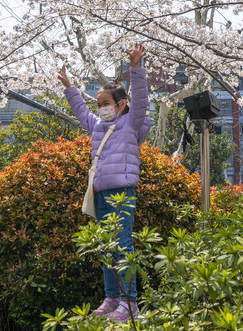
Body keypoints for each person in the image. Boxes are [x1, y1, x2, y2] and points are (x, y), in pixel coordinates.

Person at [58, 44, 149, 323]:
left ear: (120, 104)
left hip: (122, 192)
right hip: (101, 193)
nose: (101, 109)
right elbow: (80, 110)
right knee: (107, 247)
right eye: (99, 104)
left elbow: (142, 100)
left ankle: (130, 302)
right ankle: (112, 298)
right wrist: (70, 87)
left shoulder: (131, 124)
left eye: (105, 104)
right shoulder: (97, 125)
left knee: (122, 245)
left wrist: (136, 68)